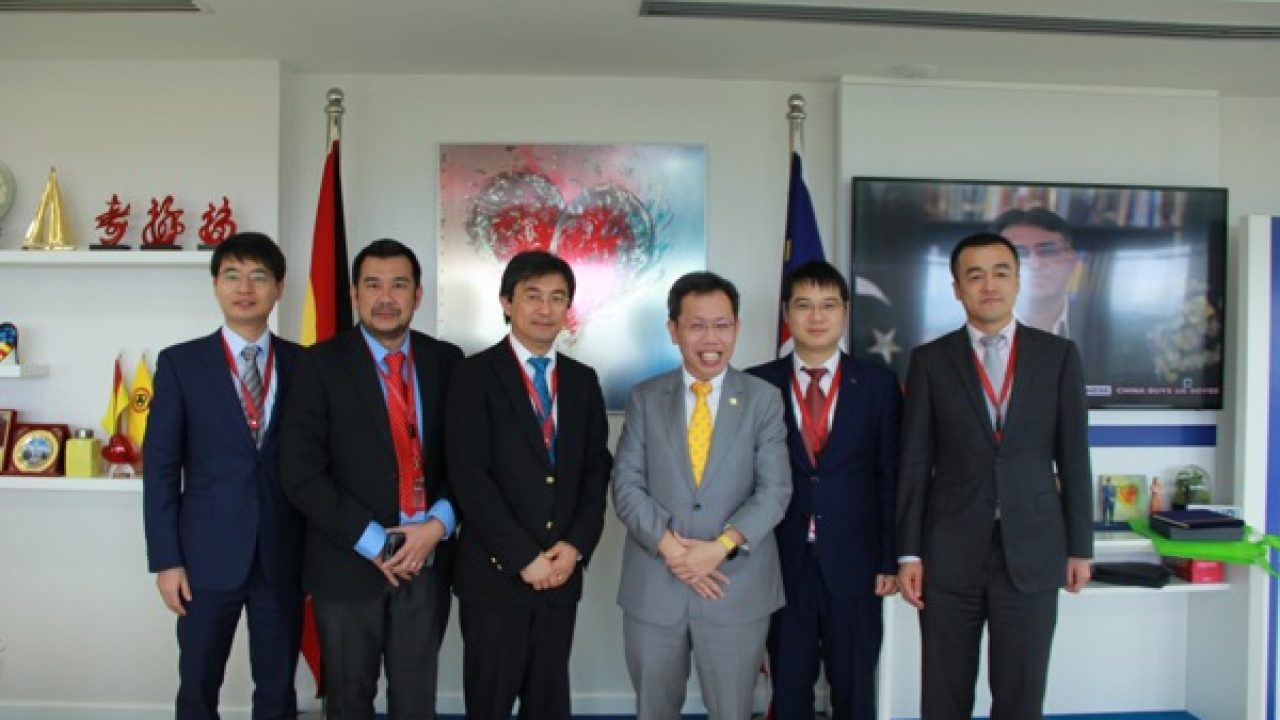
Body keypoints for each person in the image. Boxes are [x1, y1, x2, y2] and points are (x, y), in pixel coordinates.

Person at [896, 232, 1093, 720]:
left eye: (1001, 273)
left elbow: (1074, 457)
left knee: (1020, 697)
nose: (989, 285)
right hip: (949, 553)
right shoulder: (930, 361)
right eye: (975, 275)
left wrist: (1080, 548)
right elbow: (915, 463)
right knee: (944, 697)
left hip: (1032, 550)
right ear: (957, 288)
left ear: (1017, 281)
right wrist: (909, 552)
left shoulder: (1058, 356)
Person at [280, 239, 463, 720]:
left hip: (427, 560)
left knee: (416, 703)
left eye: (398, 285)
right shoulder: (318, 364)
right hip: (348, 562)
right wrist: (375, 542)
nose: (386, 298)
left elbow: (467, 459)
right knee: (348, 701)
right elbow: (301, 472)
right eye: (373, 285)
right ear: (354, 293)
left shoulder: (448, 362)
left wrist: (438, 524)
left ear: (418, 294)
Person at [612, 271, 791, 720]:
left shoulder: (764, 400)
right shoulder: (646, 398)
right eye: (696, 326)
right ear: (673, 330)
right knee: (654, 710)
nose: (711, 339)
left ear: (737, 328)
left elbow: (775, 490)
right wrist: (676, 552)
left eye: (722, 325)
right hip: (655, 585)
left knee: (732, 711)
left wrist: (718, 548)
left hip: (736, 587)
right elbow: (626, 485)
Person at [143, 231, 304, 720]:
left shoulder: (305, 364)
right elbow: (161, 469)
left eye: (259, 277)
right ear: (216, 285)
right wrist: (167, 560)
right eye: (232, 276)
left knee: (277, 689)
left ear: (279, 288)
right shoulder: (181, 364)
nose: (245, 288)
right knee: (198, 685)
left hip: (282, 554)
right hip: (204, 557)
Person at [446, 250, 613, 720]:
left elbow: (596, 471)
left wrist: (575, 547)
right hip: (495, 577)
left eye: (557, 298)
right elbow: (469, 477)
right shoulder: (473, 375)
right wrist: (523, 557)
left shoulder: (582, 381)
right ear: (506, 302)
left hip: (560, 574)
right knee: (490, 704)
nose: (545, 309)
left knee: (548, 703)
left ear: (568, 309)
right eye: (532, 296)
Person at [747, 260, 901, 720]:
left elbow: (890, 477)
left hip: (857, 566)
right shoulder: (756, 384)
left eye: (828, 305)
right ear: (786, 314)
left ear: (845, 312)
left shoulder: (878, 385)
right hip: (781, 563)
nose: (816, 316)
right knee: (788, 691)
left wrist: (889, 558)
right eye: (804, 305)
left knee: (855, 692)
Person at [990, 207, 1079, 339]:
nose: (1035, 265)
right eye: (1019, 254)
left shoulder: (1109, 323)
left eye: (1047, 251)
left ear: (1071, 261)